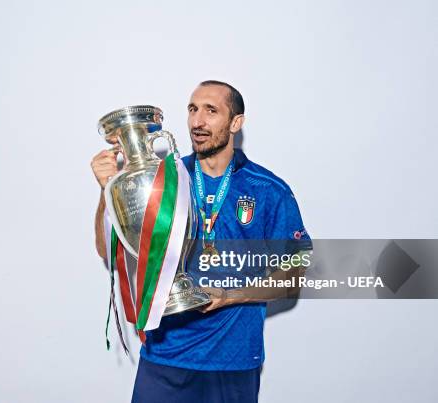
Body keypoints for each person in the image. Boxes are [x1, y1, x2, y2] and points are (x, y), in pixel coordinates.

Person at [91, 80, 311, 403]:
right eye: (193, 109)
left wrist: (229, 297)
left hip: (232, 362)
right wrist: (106, 189)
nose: (197, 121)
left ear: (236, 122)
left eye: (211, 110)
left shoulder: (267, 190)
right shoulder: (163, 183)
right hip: (165, 356)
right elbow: (108, 251)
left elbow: (294, 276)